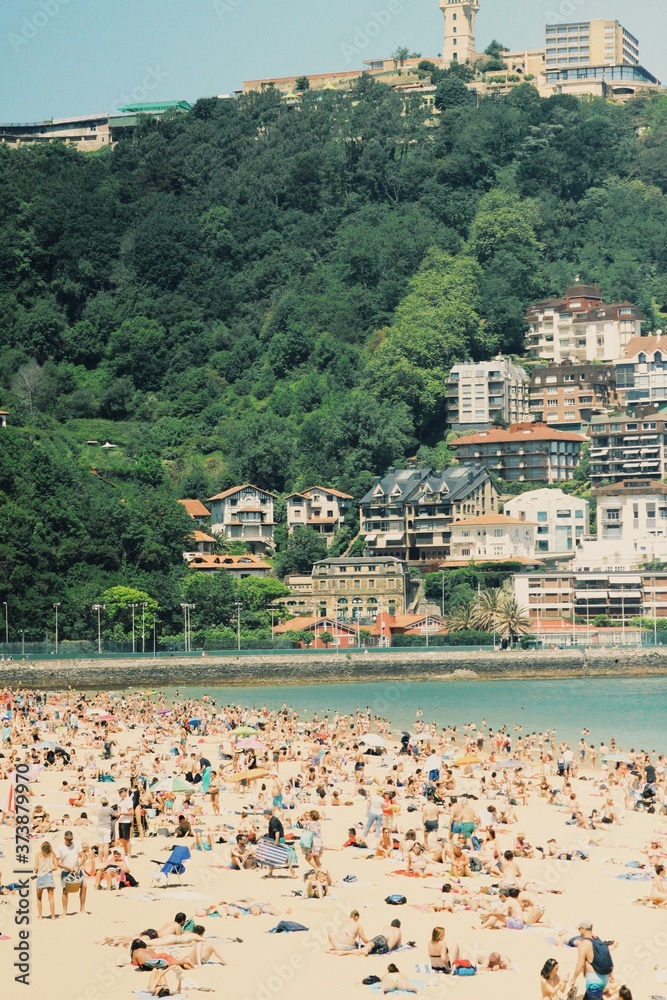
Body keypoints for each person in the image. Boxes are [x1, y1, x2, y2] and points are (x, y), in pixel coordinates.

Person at [573, 921, 615, 1000]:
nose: (579, 931)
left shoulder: (584, 944)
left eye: (579, 929)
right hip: (603, 979)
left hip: (594, 983)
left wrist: (574, 978)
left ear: (584, 929)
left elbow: (580, 964)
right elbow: (606, 957)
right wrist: (610, 974)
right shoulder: (598, 941)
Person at [55, 830, 86, 915]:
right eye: (68, 839)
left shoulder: (77, 844)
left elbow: (83, 856)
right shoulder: (60, 847)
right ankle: (64, 911)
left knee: (84, 887)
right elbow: (56, 862)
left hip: (77, 870)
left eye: (71, 839)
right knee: (65, 890)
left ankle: (82, 909)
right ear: (64, 838)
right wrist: (68, 868)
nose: (70, 841)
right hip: (66, 871)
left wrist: (78, 866)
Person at [34, 841, 58, 919]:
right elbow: (56, 867)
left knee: (39, 897)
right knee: (51, 897)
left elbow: (36, 867)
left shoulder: (38, 855)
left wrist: (37, 871)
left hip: (40, 877)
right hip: (49, 876)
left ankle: (40, 916)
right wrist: (49, 869)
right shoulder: (52, 854)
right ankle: (53, 916)